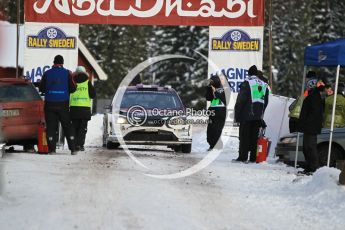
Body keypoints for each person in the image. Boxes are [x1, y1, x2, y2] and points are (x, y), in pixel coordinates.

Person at [39, 55, 77, 155]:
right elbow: (73, 88)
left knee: (51, 126)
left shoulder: (47, 73)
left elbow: (41, 88)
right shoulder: (67, 73)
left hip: (50, 104)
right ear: (62, 63)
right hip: (63, 104)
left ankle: (52, 149)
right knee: (67, 126)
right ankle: (73, 149)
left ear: (54, 62)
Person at [234, 65, 269, 162]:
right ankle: (253, 157)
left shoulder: (247, 83)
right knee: (254, 138)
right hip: (258, 116)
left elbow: (241, 100)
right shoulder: (263, 84)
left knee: (244, 137)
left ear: (249, 73)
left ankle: (243, 157)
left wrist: (237, 115)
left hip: (246, 115)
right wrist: (261, 112)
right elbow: (266, 101)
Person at [298, 77, 326, 174]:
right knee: (307, 147)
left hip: (311, 126)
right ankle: (310, 166)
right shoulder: (313, 96)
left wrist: (306, 122)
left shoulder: (314, 97)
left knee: (310, 147)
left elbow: (314, 113)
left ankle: (314, 167)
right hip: (309, 126)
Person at [70, 66, 96, 151]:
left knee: (74, 128)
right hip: (84, 109)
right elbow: (93, 95)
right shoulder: (88, 83)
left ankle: (73, 145)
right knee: (82, 128)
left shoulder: (72, 81)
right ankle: (80, 145)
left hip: (74, 108)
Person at [205, 73, 227, 150]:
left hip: (221, 112)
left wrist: (215, 91)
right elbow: (208, 98)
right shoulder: (214, 88)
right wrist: (209, 88)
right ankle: (212, 145)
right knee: (210, 130)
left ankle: (217, 146)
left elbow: (222, 98)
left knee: (217, 129)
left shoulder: (226, 88)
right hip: (213, 111)